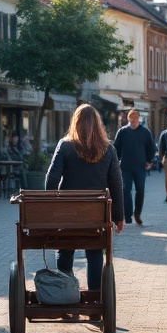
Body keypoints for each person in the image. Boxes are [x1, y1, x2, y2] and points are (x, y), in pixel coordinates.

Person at [45, 104, 124, 289]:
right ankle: (95, 296)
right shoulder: (108, 149)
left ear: (75, 122)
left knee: (65, 250)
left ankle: (65, 293)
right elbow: (116, 184)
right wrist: (118, 217)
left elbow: (52, 179)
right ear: (97, 124)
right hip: (95, 215)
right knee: (95, 253)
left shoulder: (65, 145)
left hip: (67, 213)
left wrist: (51, 210)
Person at [112, 109, 156, 225]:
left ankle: (137, 213)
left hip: (140, 167)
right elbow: (116, 148)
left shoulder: (145, 132)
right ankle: (128, 215)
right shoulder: (122, 131)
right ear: (128, 118)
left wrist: (149, 161)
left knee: (140, 189)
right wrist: (115, 162)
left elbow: (151, 148)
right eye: (130, 117)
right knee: (126, 190)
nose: (133, 119)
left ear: (138, 118)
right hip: (125, 167)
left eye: (135, 117)